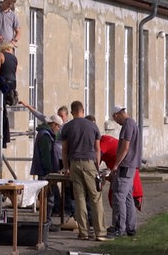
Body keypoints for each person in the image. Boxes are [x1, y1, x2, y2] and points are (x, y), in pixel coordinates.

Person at [61, 101, 112, 241]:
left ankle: (83, 233)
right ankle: (100, 233)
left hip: (74, 164)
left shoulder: (67, 127)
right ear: (83, 110)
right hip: (89, 163)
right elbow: (97, 149)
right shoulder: (92, 126)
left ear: (72, 112)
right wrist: (96, 166)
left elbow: (64, 151)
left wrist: (66, 168)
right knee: (95, 198)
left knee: (80, 199)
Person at [110, 105, 142, 237]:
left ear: (117, 115)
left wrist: (115, 165)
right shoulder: (133, 123)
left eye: (116, 120)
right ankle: (130, 227)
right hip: (132, 166)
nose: (117, 123)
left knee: (118, 196)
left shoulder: (127, 125)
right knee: (128, 197)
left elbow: (125, 147)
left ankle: (120, 227)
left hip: (125, 166)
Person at [29, 113, 63, 232]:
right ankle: (46, 223)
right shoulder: (45, 136)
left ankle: (46, 221)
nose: (58, 129)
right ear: (53, 124)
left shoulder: (45, 134)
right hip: (45, 172)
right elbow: (46, 156)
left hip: (44, 171)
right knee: (48, 198)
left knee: (48, 198)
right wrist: (50, 171)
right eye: (58, 127)